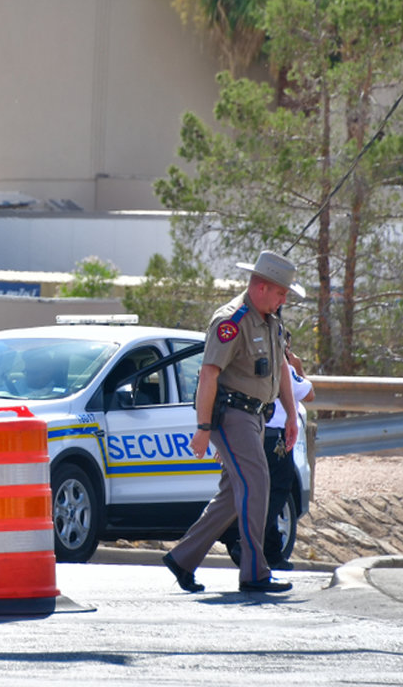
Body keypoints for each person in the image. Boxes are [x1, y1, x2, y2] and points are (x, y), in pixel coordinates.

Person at [162, 250, 304, 594]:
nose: (284, 300)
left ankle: (182, 558)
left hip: (256, 417)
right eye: (281, 293)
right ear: (260, 287)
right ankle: (254, 572)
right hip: (231, 416)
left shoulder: (271, 321)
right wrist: (203, 428)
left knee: (231, 495)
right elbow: (208, 375)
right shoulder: (231, 321)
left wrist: (290, 415)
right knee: (256, 484)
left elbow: (282, 370)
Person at [262, 339, 314, 571]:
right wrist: (297, 366)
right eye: (288, 348)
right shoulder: (283, 367)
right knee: (279, 492)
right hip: (277, 438)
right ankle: (250, 543)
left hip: (256, 433)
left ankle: (271, 553)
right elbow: (309, 394)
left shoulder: (253, 364)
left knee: (264, 493)